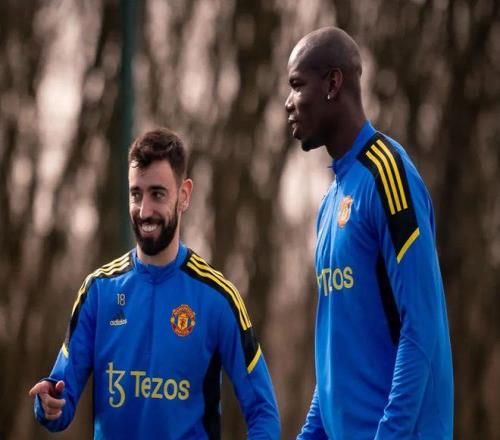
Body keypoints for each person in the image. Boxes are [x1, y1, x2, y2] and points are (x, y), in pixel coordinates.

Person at [29, 128, 281, 439]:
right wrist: (49, 403)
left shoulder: (218, 298)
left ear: (184, 195)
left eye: (157, 194)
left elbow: (264, 412)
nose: (144, 211)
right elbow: (59, 397)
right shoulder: (99, 291)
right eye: (136, 194)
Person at [285, 27, 453, 439]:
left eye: (297, 85)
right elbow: (338, 360)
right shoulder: (330, 203)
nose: (288, 102)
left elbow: (422, 327)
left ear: (333, 84)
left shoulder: (388, 176)